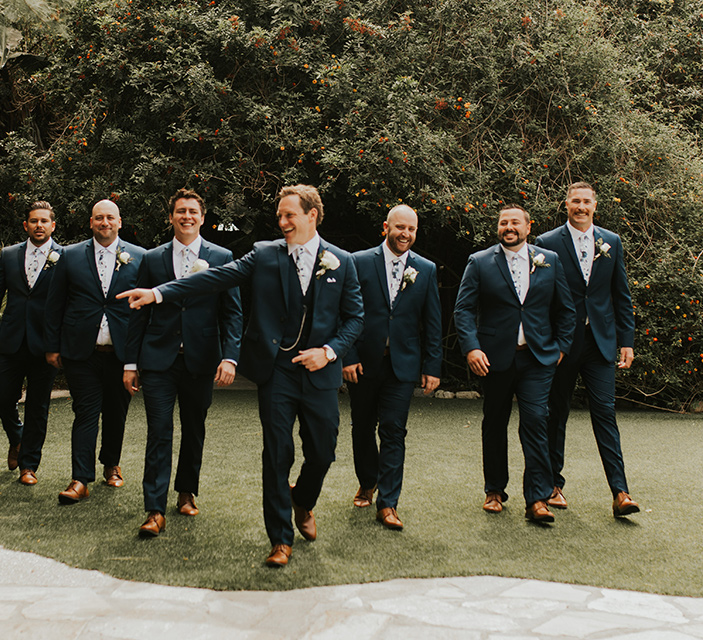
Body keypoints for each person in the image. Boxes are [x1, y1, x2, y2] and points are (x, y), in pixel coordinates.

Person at [119, 185, 364, 567]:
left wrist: (329, 352)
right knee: (277, 453)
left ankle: (303, 500)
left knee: (323, 451)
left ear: (312, 215)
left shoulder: (342, 261)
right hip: (276, 371)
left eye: (289, 216)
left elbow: (355, 318)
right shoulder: (265, 255)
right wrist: (159, 294)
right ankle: (280, 540)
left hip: (320, 372)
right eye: (279, 216)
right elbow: (215, 278)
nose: (282, 222)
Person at [124, 189, 243, 538]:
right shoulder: (152, 258)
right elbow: (137, 314)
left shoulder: (222, 256)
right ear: (171, 217)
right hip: (159, 360)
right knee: (158, 432)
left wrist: (230, 356)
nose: (186, 216)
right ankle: (154, 509)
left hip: (201, 359)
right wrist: (130, 363)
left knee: (194, 428)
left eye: (192, 211)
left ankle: (187, 491)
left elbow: (232, 313)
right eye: (180, 211)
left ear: (202, 218)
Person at [454, 204, 575, 523]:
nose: (509, 227)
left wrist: (561, 347)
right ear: (498, 228)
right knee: (494, 421)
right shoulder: (479, 262)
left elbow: (566, 309)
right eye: (504, 222)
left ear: (528, 226)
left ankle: (536, 498)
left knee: (536, 420)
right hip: (493, 358)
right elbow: (463, 310)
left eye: (515, 223)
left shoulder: (549, 260)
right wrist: (472, 348)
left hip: (538, 358)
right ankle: (494, 489)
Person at [535, 182, 640, 517]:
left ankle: (620, 492)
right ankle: (553, 486)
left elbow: (620, 295)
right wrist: (546, 342)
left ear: (596, 205)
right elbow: (540, 298)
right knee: (556, 413)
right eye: (575, 201)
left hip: (600, 343)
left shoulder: (611, 242)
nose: (581, 207)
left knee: (605, 414)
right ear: (566, 204)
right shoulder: (547, 243)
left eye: (586, 202)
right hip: (563, 345)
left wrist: (627, 341)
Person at [342, 205, 442, 531]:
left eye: (411, 230)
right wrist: (348, 356)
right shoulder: (358, 262)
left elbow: (433, 322)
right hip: (364, 362)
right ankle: (367, 481)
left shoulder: (425, 269)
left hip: (404, 364)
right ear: (385, 227)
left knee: (394, 431)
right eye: (400, 227)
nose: (406, 235)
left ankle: (388, 503)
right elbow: (345, 312)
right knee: (361, 427)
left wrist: (432, 366)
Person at [44, 199, 145, 504]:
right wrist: (52, 347)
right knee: (85, 412)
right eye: (99, 218)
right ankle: (80, 478)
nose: (104, 223)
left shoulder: (140, 257)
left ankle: (111, 464)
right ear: (90, 222)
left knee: (117, 413)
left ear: (120, 222)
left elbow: (144, 312)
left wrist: (138, 357)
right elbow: (54, 304)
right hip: (81, 351)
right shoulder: (70, 256)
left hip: (122, 352)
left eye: (110, 218)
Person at [0, 201, 62, 485]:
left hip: (46, 344)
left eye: (44, 221)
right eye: (33, 221)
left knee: (38, 407)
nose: (39, 225)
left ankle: (29, 465)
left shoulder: (66, 256)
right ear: (25, 225)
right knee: (3, 399)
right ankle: (17, 438)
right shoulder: (9, 255)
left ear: (52, 225)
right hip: (11, 341)